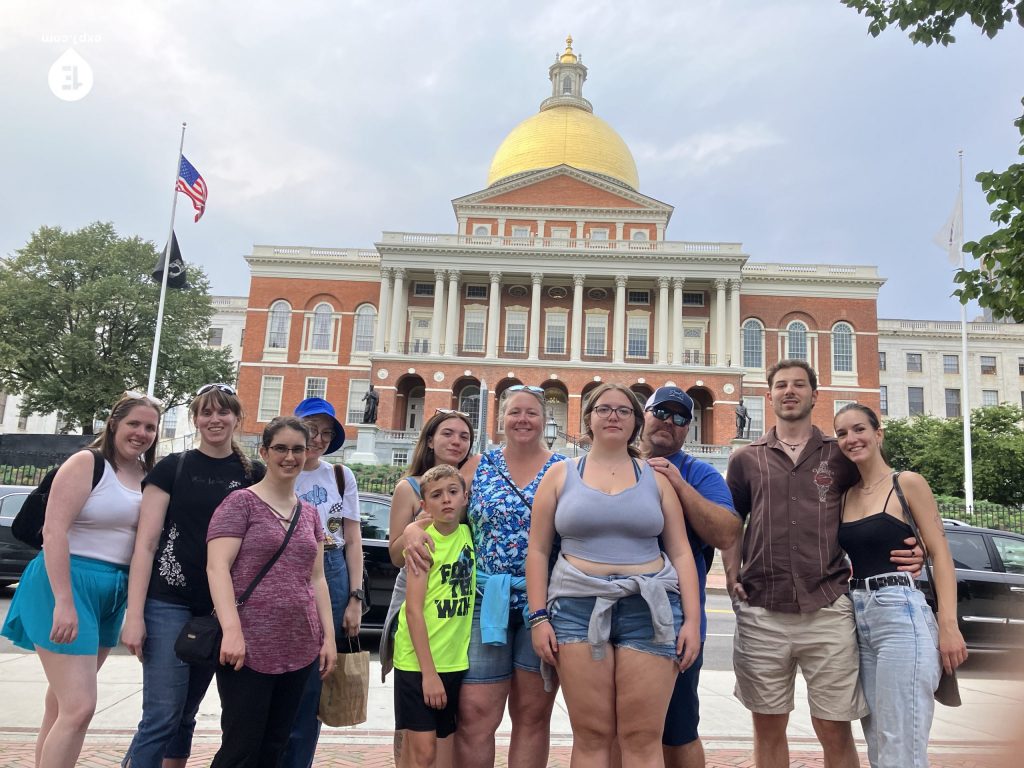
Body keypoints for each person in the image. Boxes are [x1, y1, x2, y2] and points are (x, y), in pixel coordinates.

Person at [722, 359, 923, 768]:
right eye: (781, 385)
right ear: (769, 395)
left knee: (834, 727)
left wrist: (914, 547)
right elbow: (731, 522)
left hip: (828, 606)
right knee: (768, 727)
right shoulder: (746, 459)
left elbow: (877, 499)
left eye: (799, 384)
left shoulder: (840, 455)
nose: (790, 391)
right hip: (762, 609)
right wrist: (730, 571)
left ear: (815, 395)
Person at [526, 383, 701, 768]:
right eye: (603, 409)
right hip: (576, 610)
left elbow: (681, 552)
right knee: (592, 735)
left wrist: (692, 621)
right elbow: (537, 551)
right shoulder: (559, 475)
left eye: (623, 410)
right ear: (588, 418)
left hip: (649, 611)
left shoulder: (656, 478)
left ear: (636, 422)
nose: (613, 416)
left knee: (642, 737)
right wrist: (538, 618)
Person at [2, 392, 161, 768]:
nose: (141, 433)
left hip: (112, 591)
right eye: (133, 423)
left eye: (150, 427)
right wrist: (64, 601)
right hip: (66, 582)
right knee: (80, 707)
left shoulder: (147, 476)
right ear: (114, 423)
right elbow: (53, 532)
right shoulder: (87, 463)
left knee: (61, 705)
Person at [121, 383, 263, 768]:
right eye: (206, 412)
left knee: (185, 714)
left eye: (223, 412)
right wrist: (134, 616)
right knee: (162, 715)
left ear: (237, 418)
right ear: (195, 419)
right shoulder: (172, 468)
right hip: (168, 601)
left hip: (219, 609)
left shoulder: (254, 474)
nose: (214, 419)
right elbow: (145, 545)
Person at [424, 384, 566, 768]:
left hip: (543, 606)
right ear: (501, 419)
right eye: (514, 412)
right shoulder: (479, 465)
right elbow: (442, 511)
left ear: (544, 419)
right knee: (475, 714)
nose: (522, 419)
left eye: (531, 412)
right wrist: (413, 532)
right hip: (484, 601)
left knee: (532, 715)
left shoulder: (563, 469)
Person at [834, 403, 967, 768]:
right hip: (858, 617)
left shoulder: (906, 483)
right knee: (878, 742)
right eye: (842, 433)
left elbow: (941, 555)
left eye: (859, 429)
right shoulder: (845, 495)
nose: (851, 438)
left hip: (901, 614)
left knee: (901, 745)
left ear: (878, 434)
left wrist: (948, 626)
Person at [206, 416, 337, 768]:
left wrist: (328, 637)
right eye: (280, 448)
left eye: (297, 449)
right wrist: (231, 631)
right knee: (241, 748)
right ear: (264, 452)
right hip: (248, 646)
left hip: (299, 644)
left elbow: (317, 579)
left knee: (276, 745)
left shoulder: (309, 514)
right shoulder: (240, 503)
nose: (289, 457)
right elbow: (217, 568)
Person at [640, 386, 741, 768]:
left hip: (677, 619)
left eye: (681, 417)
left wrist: (678, 484)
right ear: (644, 414)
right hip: (611, 615)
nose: (670, 421)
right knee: (612, 730)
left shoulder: (699, 473)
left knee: (679, 730)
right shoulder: (613, 462)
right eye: (661, 412)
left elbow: (727, 532)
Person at [381, 407, 475, 766]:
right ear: (431, 439)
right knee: (414, 734)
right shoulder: (409, 486)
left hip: (452, 624)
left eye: (464, 436)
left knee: (444, 734)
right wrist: (411, 531)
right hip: (417, 593)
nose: (456, 441)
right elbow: (395, 555)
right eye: (447, 433)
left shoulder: (468, 485)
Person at [281, 397, 363, 768]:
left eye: (326, 433)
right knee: (280, 669)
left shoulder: (341, 476)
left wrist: (355, 598)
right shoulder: (279, 470)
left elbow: (354, 540)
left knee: (317, 675)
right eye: (312, 429)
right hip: (285, 567)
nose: (318, 438)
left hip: (331, 567)